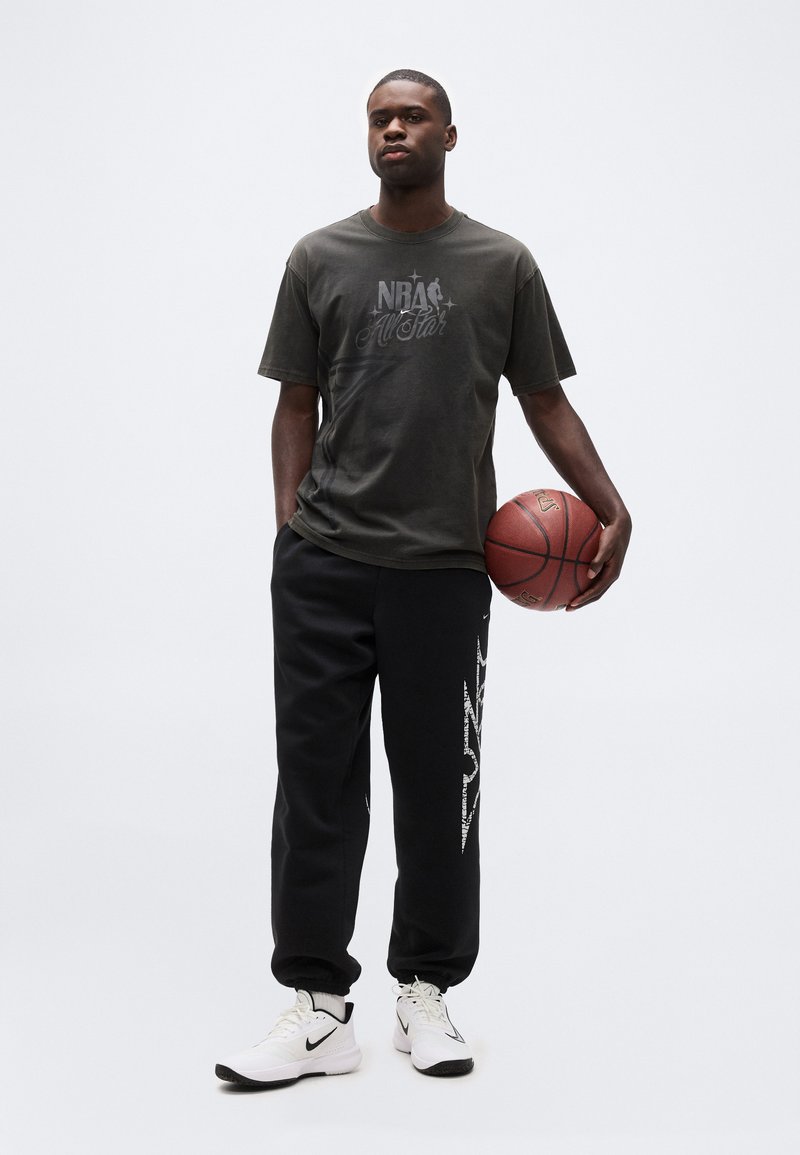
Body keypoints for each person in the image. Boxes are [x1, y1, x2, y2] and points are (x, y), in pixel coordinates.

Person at [216, 68, 631, 1088]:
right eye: (379, 118)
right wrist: (291, 530)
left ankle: (425, 992)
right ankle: (318, 1007)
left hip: (444, 571)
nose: (393, 128)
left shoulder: (501, 263)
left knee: (440, 792)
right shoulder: (318, 257)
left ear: (449, 134)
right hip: (324, 566)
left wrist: (611, 504)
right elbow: (293, 403)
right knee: (317, 788)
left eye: (411, 116)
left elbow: (543, 401)